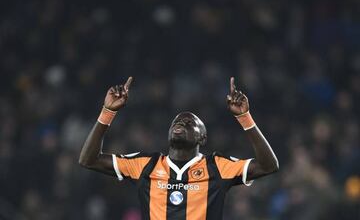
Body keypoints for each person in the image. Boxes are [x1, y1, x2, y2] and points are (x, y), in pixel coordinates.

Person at [79, 76, 279, 220]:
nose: (180, 123)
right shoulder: (145, 165)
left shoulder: (217, 166)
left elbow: (268, 166)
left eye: (189, 122)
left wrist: (245, 118)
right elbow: (88, 160)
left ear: (202, 137)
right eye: (176, 122)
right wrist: (107, 112)